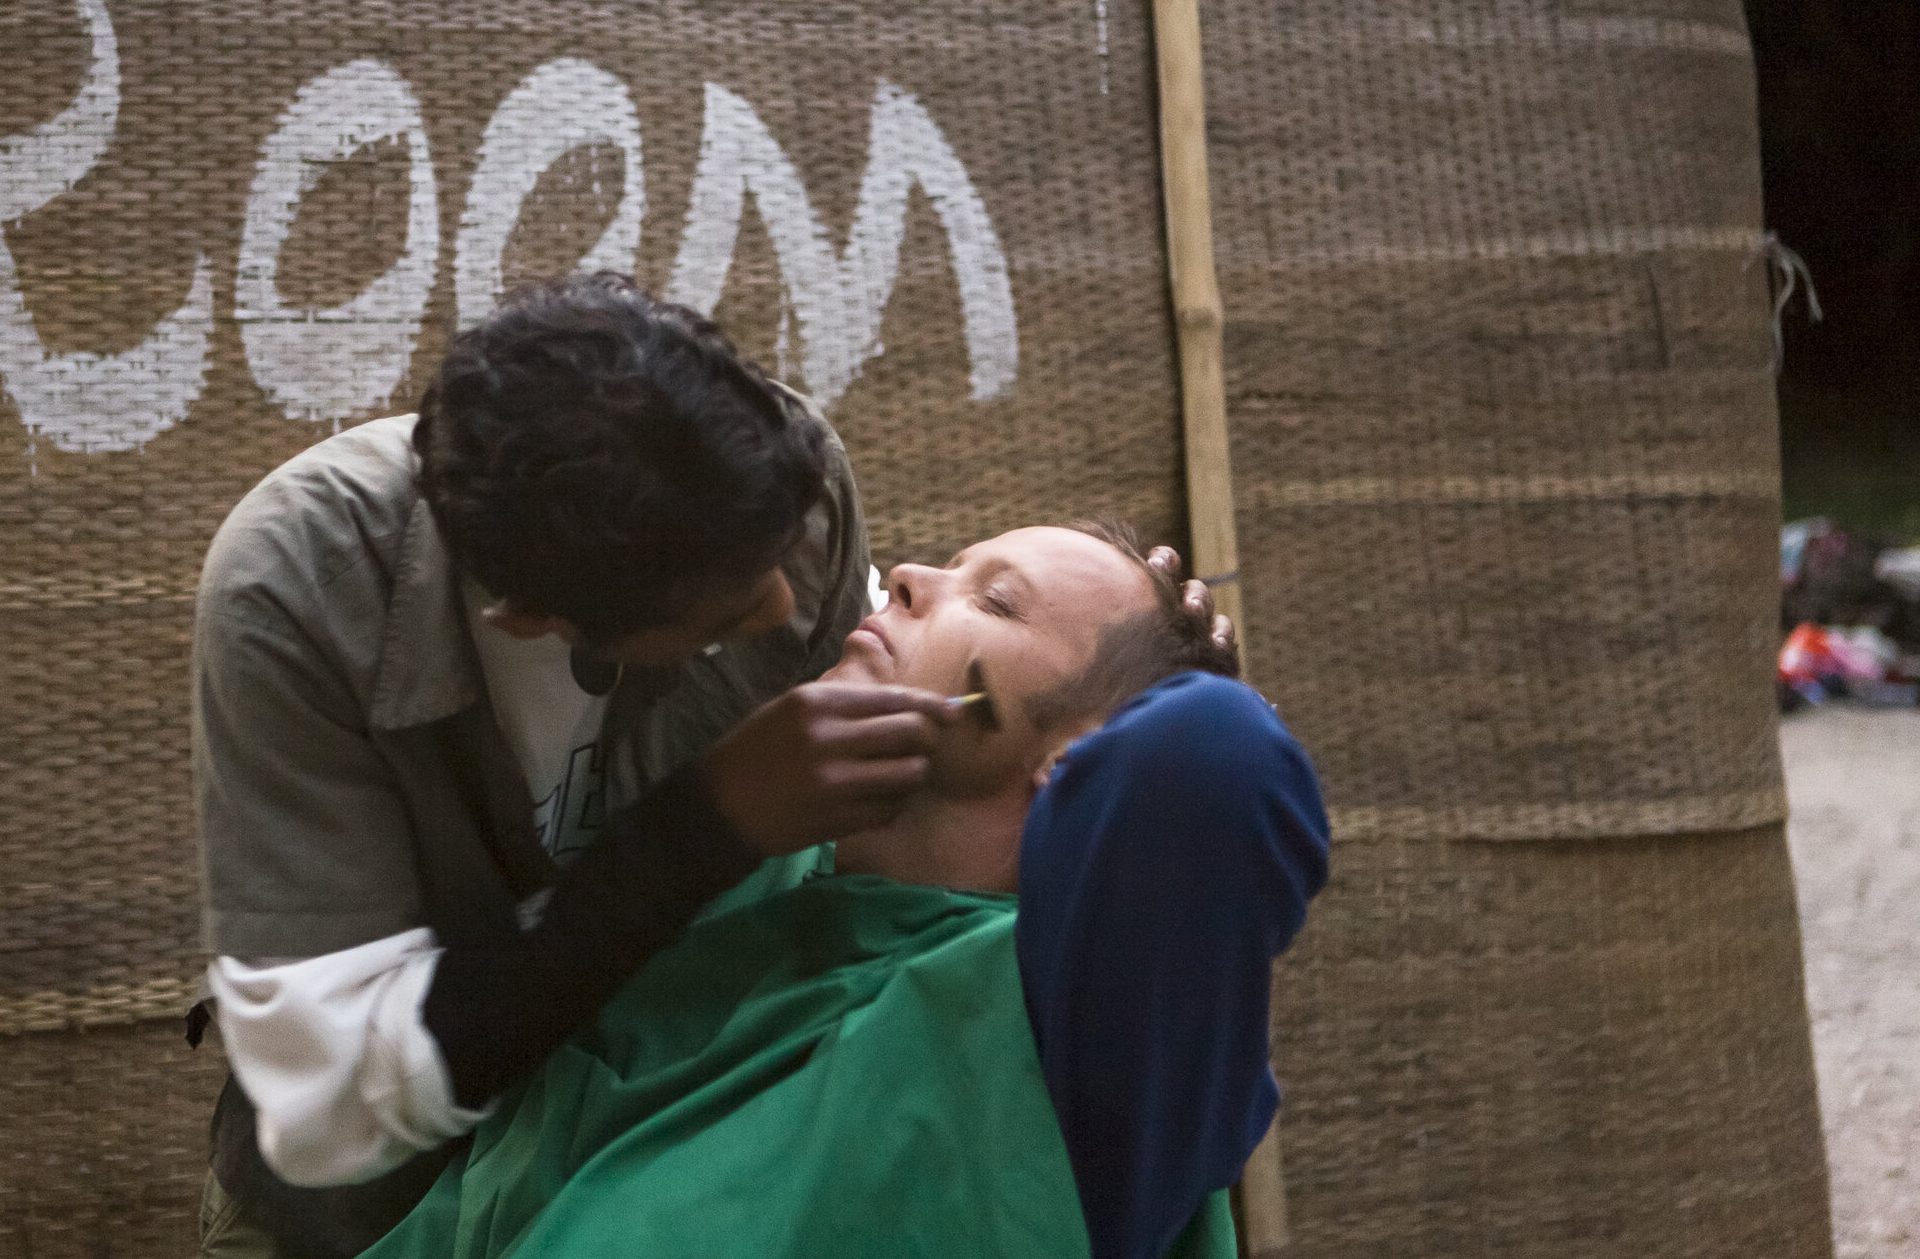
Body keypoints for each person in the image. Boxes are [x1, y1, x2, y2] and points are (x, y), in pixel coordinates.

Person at [195, 275, 961, 1256]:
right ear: (534, 620)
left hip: (670, 1163)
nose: (784, 606)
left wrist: (1155, 688)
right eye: (726, 619)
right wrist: (704, 826)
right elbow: (332, 1107)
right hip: (382, 1214)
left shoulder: (782, 482)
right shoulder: (299, 588)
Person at [352, 517, 1326, 1259]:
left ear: (1086, 761)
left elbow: (1216, 763)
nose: (908, 575)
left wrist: (1185, 700)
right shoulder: (758, 860)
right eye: (951, 565)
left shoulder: (1062, 1040)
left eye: (995, 602)